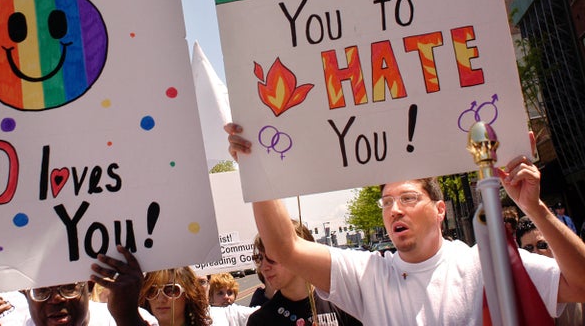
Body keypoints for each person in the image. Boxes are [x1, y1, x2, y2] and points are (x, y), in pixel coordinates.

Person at [225, 123, 585, 325]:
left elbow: (579, 285)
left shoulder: (484, 265)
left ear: (440, 209)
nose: (394, 209)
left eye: (408, 198)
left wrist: (535, 209)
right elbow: (284, 248)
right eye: (386, 202)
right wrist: (255, 167)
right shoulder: (368, 275)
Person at [0, 245, 156, 326]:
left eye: (69, 287)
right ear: (24, 293)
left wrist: (128, 318)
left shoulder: (125, 318)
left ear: (88, 285)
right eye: (42, 291)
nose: (56, 299)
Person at [247, 221, 361, 325]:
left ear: (301, 255)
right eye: (259, 258)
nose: (264, 267)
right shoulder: (260, 320)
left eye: (272, 256)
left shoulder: (344, 305)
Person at [517, 218, 584, 325]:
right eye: (528, 249)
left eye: (541, 245)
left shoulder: (575, 280)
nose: (536, 252)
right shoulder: (520, 292)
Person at [140, 266, 256, 326]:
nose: (160, 299)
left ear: (188, 293)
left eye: (171, 290)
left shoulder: (218, 318)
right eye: (152, 291)